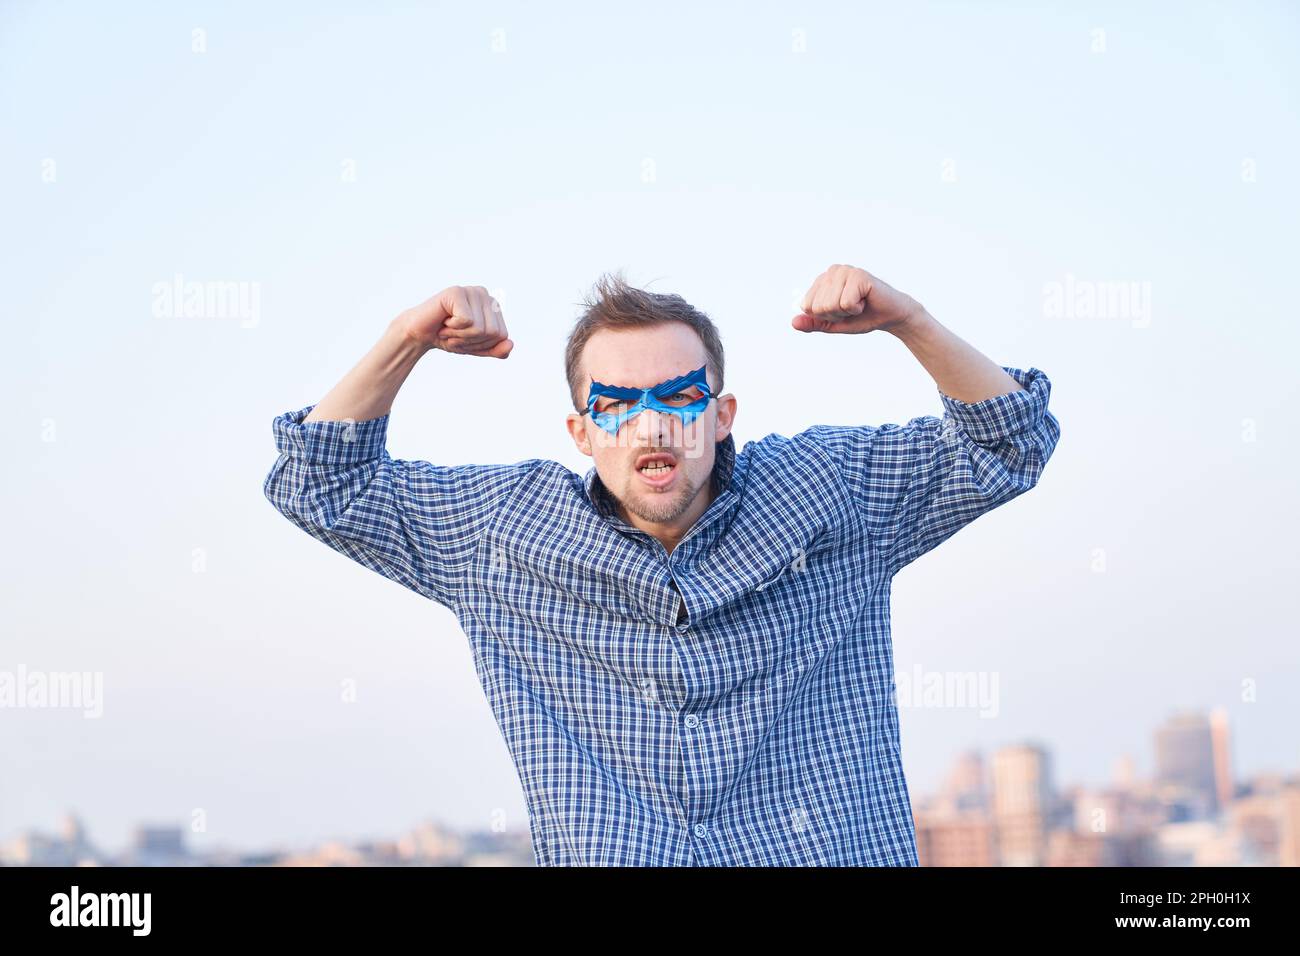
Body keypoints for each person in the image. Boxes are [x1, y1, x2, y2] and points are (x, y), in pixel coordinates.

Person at [262, 263, 1061, 866]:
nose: (652, 428)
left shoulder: (828, 491)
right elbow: (318, 484)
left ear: (720, 416)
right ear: (581, 432)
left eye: (678, 398)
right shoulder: (504, 536)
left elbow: (1008, 445)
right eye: (616, 405)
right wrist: (408, 339)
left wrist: (908, 320)